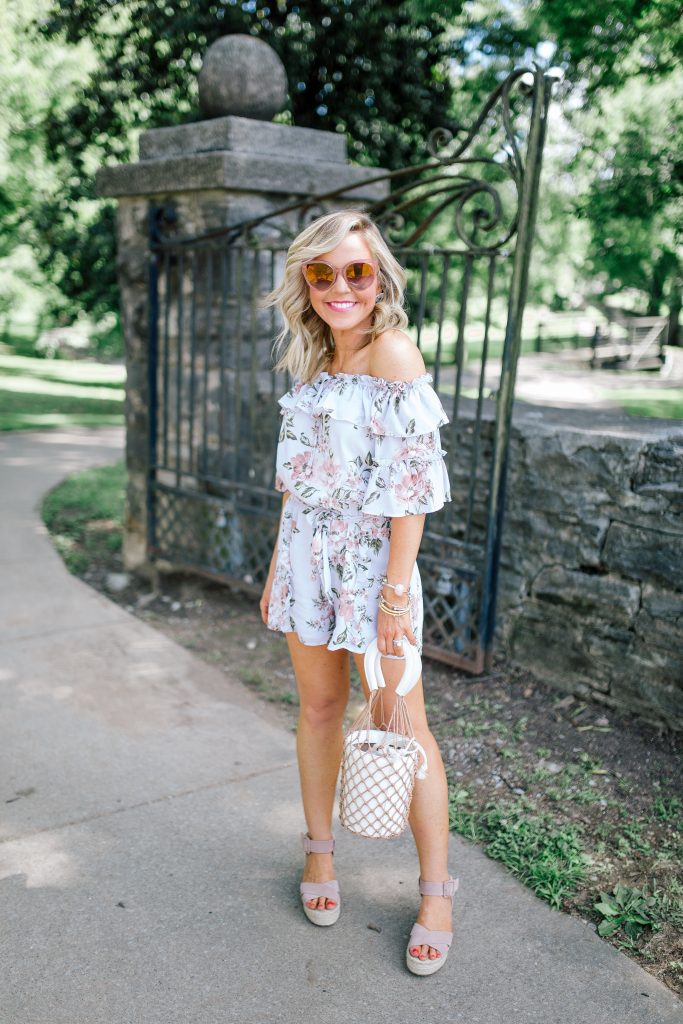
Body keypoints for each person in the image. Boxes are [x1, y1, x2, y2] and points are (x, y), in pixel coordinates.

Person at [259, 209, 458, 976]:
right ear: (304, 281)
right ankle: (318, 856)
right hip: (307, 561)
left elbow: (408, 491)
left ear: (380, 278)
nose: (341, 287)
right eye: (322, 273)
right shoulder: (315, 358)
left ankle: (436, 894)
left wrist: (394, 597)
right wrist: (281, 561)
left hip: (376, 570)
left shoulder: (393, 353)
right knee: (316, 710)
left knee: (402, 728)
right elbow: (300, 478)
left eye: (357, 271)